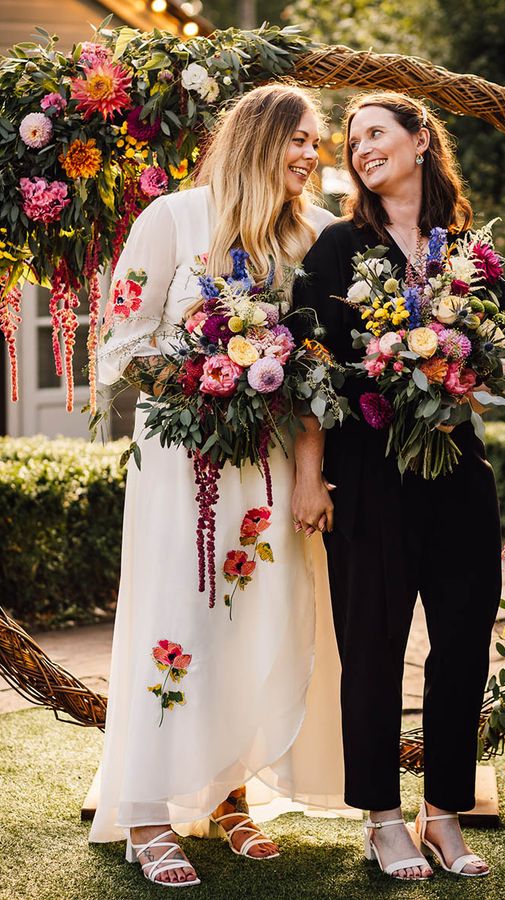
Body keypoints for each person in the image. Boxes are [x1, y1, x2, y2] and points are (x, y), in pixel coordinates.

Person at [90, 84, 345, 887]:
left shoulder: (317, 234)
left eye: (317, 143)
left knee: (255, 624)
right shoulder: (171, 218)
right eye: (298, 139)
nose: (311, 155)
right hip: (183, 464)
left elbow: (321, 366)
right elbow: (121, 341)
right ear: (257, 137)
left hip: (267, 465)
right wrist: (212, 378)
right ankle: (145, 813)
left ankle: (232, 797)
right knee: (178, 617)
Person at [292, 91, 505, 880]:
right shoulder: (332, 249)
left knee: (461, 647)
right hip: (368, 479)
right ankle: (383, 820)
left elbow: (502, 346)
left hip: (459, 472)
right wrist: (309, 475)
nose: (360, 148)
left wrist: (463, 365)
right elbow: (306, 373)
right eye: (353, 139)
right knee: (374, 650)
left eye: (377, 133)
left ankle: (444, 815)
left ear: (422, 140)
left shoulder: (471, 247)